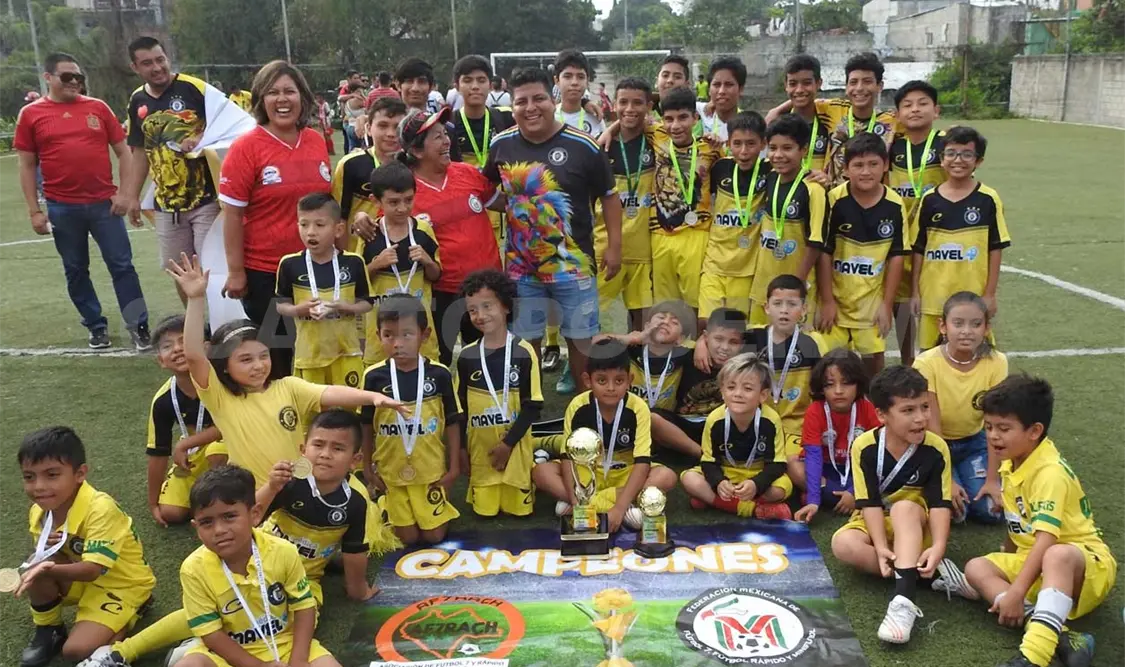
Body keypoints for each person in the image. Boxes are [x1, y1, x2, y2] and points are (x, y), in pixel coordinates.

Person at [165, 253, 407, 486]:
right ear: (225, 366)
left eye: (263, 356)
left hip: (298, 490)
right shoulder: (220, 397)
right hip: (257, 496)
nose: (259, 365)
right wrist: (196, 299)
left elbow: (330, 392)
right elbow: (195, 357)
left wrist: (373, 397)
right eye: (246, 360)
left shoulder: (287, 386)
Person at [484, 67, 623, 395]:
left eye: (538, 99)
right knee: (525, 338)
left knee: (580, 338)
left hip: (573, 266)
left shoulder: (583, 145)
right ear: (512, 106)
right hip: (521, 268)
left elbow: (609, 195)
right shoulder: (501, 145)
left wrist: (614, 245)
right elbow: (486, 187)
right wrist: (514, 206)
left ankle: (582, 403)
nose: (530, 107)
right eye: (521, 101)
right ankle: (527, 403)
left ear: (553, 99)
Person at [963, 375, 1112, 667]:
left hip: (1083, 565)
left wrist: (1016, 590)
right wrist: (1007, 555)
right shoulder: (1013, 459)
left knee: (1056, 553)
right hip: (1038, 562)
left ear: (1034, 431)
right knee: (976, 567)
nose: (993, 436)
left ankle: (1034, 657)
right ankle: (1064, 636)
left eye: (1004, 429)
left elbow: (1047, 539)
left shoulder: (1049, 472)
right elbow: (1017, 519)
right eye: (989, 427)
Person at [15, 52, 150, 351]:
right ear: (47, 77)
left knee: (122, 266)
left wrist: (126, 193)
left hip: (105, 205)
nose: (75, 82)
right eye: (67, 77)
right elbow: (26, 165)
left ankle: (138, 325)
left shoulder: (98, 108)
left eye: (79, 77)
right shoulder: (32, 115)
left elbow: (124, 151)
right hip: (62, 207)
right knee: (75, 269)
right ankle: (95, 326)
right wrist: (35, 211)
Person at [830, 365, 964, 645]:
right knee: (842, 545)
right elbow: (868, 504)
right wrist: (879, 546)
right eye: (908, 411)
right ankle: (928, 574)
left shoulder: (936, 447)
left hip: (916, 522)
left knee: (904, 508)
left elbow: (940, 505)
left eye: (924, 407)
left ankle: (903, 599)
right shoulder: (864, 446)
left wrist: (938, 545)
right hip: (876, 521)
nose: (920, 419)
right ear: (881, 414)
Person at [218, 60, 332, 377]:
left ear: (303, 98)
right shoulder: (246, 148)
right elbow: (232, 215)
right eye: (272, 92)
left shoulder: (315, 141)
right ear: (260, 100)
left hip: (315, 268)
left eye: (289, 91)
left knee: (319, 352)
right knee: (280, 360)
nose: (282, 99)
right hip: (266, 274)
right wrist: (237, 271)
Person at [16, 426, 156, 667]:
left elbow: (93, 569)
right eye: (29, 476)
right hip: (82, 578)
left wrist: (45, 568)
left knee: (76, 650)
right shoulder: (39, 512)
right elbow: (53, 557)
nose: (38, 486)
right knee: (36, 562)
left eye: (52, 475)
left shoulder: (101, 508)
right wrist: (44, 560)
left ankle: (137, 607)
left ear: (80, 473)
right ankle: (49, 629)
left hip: (122, 583)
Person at [175, 465, 341, 667]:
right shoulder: (193, 569)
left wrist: (298, 660)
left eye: (229, 516)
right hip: (228, 655)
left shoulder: (283, 551)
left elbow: (304, 606)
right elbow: (211, 634)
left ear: (255, 514)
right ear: (196, 527)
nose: (219, 530)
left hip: (285, 644)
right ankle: (185, 652)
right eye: (207, 522)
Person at [531, 339, 678, 532]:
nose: (610, 388)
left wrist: (619, 509)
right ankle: (592, 503)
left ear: (629, 381)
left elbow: (642, 463)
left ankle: (593, 504)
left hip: (625, 471)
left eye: (619, 380)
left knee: (667, 477)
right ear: (587, 380)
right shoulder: (577, 406)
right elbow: (567, 458)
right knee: (541, 473)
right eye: (602, 380)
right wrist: (577, 501)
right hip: (587, 474)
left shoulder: (638, 408)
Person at [124, 36, 222, 307]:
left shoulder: (195, 88)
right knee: (180, 275)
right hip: (167, 205)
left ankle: (220, 326)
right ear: (135, 67)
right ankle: (196, 326)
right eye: (147, 63)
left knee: (211, 269)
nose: (156, 67)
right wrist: (132, 195)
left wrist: (201, 137)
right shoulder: (137, 100)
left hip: (207, 199)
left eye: (160, 59)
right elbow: (140, 151)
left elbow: (231, 124)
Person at [360, 294, 463, 546]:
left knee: (433, 536)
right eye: (389, 335)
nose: (397, 343)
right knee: (408, 539)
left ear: (424, 335)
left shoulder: (439, 374)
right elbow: (365, 424)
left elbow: (452, 421)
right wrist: (365, 467)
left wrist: (454, 467)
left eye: (407, 334)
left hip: (430, 470)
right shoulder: (373, 377)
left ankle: (429, 506)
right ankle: (386, 503)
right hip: (391, 471)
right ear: (378, 336)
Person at [257, 410, 383, 604]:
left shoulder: (356, 501)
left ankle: (325, 562)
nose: (325, 454)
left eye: (338, 448)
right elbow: (251, 517)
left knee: (300, 612)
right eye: (318, 444)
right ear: (303, 449)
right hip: (259, 562)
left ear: (354, 460)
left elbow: (354, 551)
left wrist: (358, 590)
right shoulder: (288, 480)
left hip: (305, 577)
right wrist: (271, 487)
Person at [813, 133, 909, 375]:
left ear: (885, 165)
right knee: (828, 365)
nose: (866, 172)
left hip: (870, 303)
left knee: (873, 363)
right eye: (858, 165)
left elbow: (896, 256)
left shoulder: (895, 204)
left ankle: (873, 408)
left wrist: (887, 305)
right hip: (835, 300)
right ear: (845, 169)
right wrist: (826, 301)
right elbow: (824, 253)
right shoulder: (833, 200)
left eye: (873, 164)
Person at [910, 126, 1010, 351]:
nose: (958, 160)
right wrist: (915, 292)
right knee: (929, 355)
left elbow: (996, 247)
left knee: (980, 356)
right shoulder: (929, 199)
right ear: (942, 159)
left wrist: (990, 294)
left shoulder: (988, 198)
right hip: (933, 296)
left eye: (967, 154)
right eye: (952, 153)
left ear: (978, 161)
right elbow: (918, 249)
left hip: (973, 298)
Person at [914, 291, 1008, 524]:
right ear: (943, 326)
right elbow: (931, 425)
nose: (966, 331)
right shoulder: (927, 363)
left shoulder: (997, 362)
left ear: (986, 329)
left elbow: (994, 423)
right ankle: (939, 480)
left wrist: (993, 480)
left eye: (975, 324)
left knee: (991, 511)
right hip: (936, 444)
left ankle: (970, 478)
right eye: (958, 323)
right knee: (955, 513)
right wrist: (947, 479)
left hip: (975, 444)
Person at [457, 270, 545, 517]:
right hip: (481, 456)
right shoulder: (466, 356)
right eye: (473, 309)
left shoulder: (524, 352)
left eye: (487, 306)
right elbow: (460, 409)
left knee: (519, 512)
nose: (480, 315)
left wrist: (508, 444)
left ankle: (535, 464)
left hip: (515, 453)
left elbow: (533, 407)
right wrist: (462, 451)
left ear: (506, 306)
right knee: (484, 513)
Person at [718, 275, 824, 467]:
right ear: (767, 307)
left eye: (792, 304)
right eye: (777, 303)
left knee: (793, 464)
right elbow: (719, 338)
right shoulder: (753, 337)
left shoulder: (813, 343)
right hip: (756, 420)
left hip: (796, 425)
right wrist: (701, 342)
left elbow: (822, 387)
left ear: (804, 309)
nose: (784, 310)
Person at [275, 193, 373, 387]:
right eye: (304, 225)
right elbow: (280, 305)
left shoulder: (354, 262)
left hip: (347, 353)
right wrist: (296, 310)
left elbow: (367, 303)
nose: (311, 232)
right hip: (309, 356)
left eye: (319, 225)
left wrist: (349, 307)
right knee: (312, 411)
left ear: (338, 230)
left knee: (349, 410)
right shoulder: (289, 264)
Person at [681, 354, 792, 519]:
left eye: (747, 389)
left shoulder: (771, 420)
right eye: (731, 387)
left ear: (763, 395)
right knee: (689, 478)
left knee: (782, 488)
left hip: (756, 474)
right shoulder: (714, 419)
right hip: (726, 474)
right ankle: (752, 509)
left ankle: (713, 500)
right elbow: (708, 461)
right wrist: (719, 482)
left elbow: (777, 464)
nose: (738, 394)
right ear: (722, 391)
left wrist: (756, 484)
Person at [146, 315, 226, 527]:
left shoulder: (224, 381)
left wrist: (186, 443)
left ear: (206, 348)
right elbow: (158, 452)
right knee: (171, 513)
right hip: (194, 456)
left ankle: (222, 500)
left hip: (231, 446)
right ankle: (204, 492)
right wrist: (153, 503)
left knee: (216, 452)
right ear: (161, 361)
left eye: (185, 340)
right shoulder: (163, 400)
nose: (177, 349)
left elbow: (231, 425)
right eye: (167, 346)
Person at [650, 85, 718, 328]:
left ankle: (695, 354)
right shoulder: (656, 136)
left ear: (695, 118)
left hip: (696, 234)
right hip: (661, 234)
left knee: (695, 305)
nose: (675, 125)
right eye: (668, 119)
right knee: (665, 306)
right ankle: (670, 357)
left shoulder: (711, 149)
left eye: (682, 118)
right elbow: (630, 117)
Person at [750, 115, 826, 329]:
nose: (778, 155)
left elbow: (815, 242)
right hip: (764, 282)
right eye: (773, 148)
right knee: (761, 342)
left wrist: (797, 283)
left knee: (795, 348)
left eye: (787, 148)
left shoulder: (813, 189)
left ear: (803, 150)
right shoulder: (769, 177)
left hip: (795, 286)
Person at [362, 162, 442, 365]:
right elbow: (358, 281)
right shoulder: (369, 234)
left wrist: (427, 260)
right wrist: (376, 264)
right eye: (393, 202)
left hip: (418, 325)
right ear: (376, 201)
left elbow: (436, 275)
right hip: (381, 328)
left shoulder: (423, 230)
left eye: (408, 200)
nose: (402, 208)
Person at [887, 80, 944, 366]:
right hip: (900, 240)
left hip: (935, 241)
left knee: (936, 304)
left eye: (923, 103)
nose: (915, 109)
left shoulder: (946, 144)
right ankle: (908, 362)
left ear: (936, 110)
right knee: (902, 305)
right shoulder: (893, 148)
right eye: (907, 105)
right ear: (897, 114)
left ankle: (939, 361)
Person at [793, 349, 880, 523]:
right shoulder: (815, 410)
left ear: (858, 384)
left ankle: (843, 498)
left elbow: (876, 457)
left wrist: (853, 490)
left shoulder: (868, 408)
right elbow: (813, 457)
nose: (838, 391)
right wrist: (813, 501)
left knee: (883, 473)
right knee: (793, 465)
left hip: (856, 469)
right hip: (826, 469)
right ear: (821, 387)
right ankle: (842, 498)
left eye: (846, 383)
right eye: (830, 384)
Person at [597, 77, 656, 332]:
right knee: (589, 311)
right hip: (606, 245)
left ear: (649, 106)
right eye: (623, 102)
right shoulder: (601, 147)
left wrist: (611, 127)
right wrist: (610, 130)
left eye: (637, 103)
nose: (630, 109)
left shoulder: (658, 141)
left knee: (640, 318)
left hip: (643, 247)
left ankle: (637, 365)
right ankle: (583, 364)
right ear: (615, 105)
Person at [701, 111, 771, 320]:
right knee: (707, 323)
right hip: (714, 264)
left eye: (751, 144)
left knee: (736, 332)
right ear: (728, 143)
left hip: (746, 270)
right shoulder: (720, 167)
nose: (743, 151)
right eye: (737, 143)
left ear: (763, 144)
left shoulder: (770, 171)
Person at [652, 308, 746, 463]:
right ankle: (702, 455)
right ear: (706, 337)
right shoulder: (688, 355)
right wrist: (699, 344)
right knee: (652, 417)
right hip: (683, 426)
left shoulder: (744, 366)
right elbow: (652, 340)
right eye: (718, 339)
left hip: (719, 428)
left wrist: (701, 342)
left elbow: (768, 331)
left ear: (742, 344)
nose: (724, 347)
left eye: (733, 342)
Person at [449, 55, 514, 253]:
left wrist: (585, 101)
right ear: (457, 86)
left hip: (501, 212)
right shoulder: (448, 123)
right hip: (464, 213)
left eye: (481, 80)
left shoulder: (506, 117)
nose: (475, 86)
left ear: (489, 84)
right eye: (467, 81)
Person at [333, 96, 408, 250]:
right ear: (368, 128)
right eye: (383, 126)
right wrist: (345, 261)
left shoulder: (412, 163)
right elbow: (338, 217)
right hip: (360, 255)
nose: (391, 133)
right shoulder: (350, 164)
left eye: (397, 126)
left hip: (403, 253)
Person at [597, 300, 695, 412]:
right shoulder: (631, 349)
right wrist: (629, 339)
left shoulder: (684, 355)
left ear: (680, 338)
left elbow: (711, 347)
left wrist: (701, 344)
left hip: (664, 419)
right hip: (626, 414)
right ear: (647, 325)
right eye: (661, 317)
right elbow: (595, 343)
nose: (666, 322)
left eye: (674, 322)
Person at [824, 53, 899, 187]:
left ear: (880, 86)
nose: (859, 88)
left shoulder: (893, 121)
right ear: (846, 86)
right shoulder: (833, 110)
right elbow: (803, 97)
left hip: (875, 200)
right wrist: (774, 113)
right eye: (853, 82)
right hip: (836, 199)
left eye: (867, 81)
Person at [769, 55, 832, 183]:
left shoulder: (831, 119)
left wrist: (829, 178)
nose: (799, 90)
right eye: (793, 83)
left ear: (819, 83)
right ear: (785, 85)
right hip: (787, 197)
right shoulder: (778, 124)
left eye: (806, 83)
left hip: (822, 194)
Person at [553, 50, 605, 137]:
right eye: (567, 76)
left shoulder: (595, 117)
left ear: (587, 81)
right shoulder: (549, 117)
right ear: (557, 81)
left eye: (580, 77)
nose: (574, 82)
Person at [697, 57, 746, 141]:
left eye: (729, 84)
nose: (721, 91)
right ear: (709, 89)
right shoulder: (700, 113)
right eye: (716, 84)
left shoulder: (749, 125)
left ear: (740, 89)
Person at [341, 82, 366, 153]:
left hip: (350, 126)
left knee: (352, 149)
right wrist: (363, 96)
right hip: (357, 127)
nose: (361, 92)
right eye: (359, 91)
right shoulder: (357, 101)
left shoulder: (347, 101)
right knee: (362, 149)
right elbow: (369, 104)